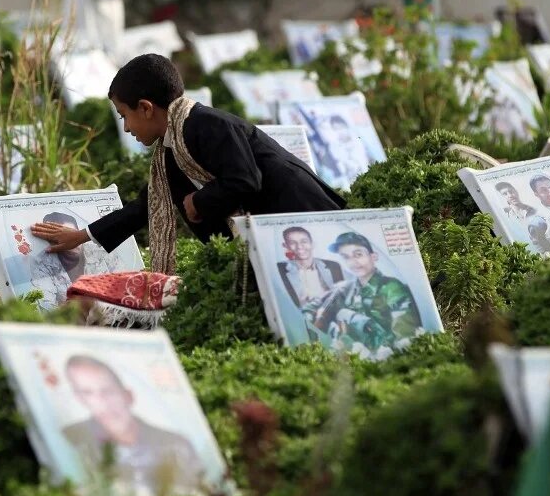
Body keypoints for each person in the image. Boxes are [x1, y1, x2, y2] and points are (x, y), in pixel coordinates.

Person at [32, 55, 346, 274]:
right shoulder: (174, 146)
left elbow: (245, 180)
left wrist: (199, 199)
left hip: (306, 213)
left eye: (124, 115)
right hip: (285, 225)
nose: (126, 128)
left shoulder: (207, 124)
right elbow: (148, 206)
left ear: (145, 108)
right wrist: (81, 236)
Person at [61, 354, 202, 495]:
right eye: (88, 393)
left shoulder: (176, 444)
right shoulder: (70, 442)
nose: (102, 402)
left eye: (108, 391)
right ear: (79, 399)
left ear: (128, 395)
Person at [303, 232, 422, 358]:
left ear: (373, 256)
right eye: (346, 257)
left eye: (358, 254)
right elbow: (309, 310)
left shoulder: (392, 288)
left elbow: (405, 334)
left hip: (389, 357)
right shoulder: (344, 289)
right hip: (351, 360)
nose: (353, 262)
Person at [29, 211, 118, 310]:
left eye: (72, 234)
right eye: (61, 238)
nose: (70, 241)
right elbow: (46, 308)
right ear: (51, 241)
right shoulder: (42, 265)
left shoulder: (103, 254)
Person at [276, 227, 344, 307]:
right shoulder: (279, 269)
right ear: (286, 246)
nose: (299, 247)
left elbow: (342, 297)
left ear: (312, 244)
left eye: (304, 241)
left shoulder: (333, 266)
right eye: (292, 243)